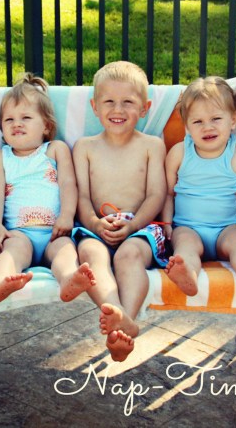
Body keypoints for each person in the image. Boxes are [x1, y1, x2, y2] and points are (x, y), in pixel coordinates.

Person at [72, 61, 168, 362]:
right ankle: (118, 314)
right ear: (94, 106)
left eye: (128, 102)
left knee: (129, 256)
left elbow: (156, 194)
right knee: (90, 256)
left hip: (140, 227)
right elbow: (81, 196)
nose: (118, 109)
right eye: (109, 102)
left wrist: (134, 225)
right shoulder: (84, 147)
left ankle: (126, 318)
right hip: (96, 226)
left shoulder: (152, 146)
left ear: (145, 108)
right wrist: (94, 223)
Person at [0, 73, 96, 304]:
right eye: (9, 119)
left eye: (26, 117)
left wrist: (67, 216)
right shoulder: (0, 157)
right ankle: (0, 282)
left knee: (65, 252)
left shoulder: (55, 149)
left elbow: (68, 184)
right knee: (11, 253)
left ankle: (68, 280)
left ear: (46, 126)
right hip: (18, 232)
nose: (16, 123)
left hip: (55, 231)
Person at [162, 77, 236, 299]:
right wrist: (167, 225)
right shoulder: (179, 153)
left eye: (216, 119)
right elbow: (168, 194)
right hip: (187, 227)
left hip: (227, 228)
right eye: (197, 122)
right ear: (187, 126)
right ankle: (188, 275)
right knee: (185, 248)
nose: (207, 127)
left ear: (233, 120)